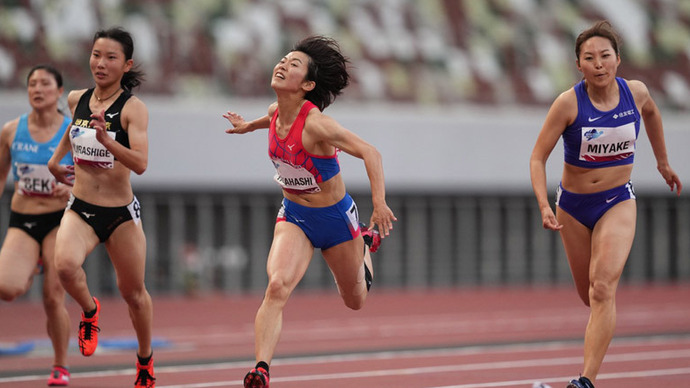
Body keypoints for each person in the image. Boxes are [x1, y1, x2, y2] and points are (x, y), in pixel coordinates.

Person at [223, 35, 397, 388]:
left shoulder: (317, 125)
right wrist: (247, 127)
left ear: (307, 85)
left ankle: (364, 241)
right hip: (295, 217)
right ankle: (261, 368)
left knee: (355, 301)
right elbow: (268, 119)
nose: (283, 64)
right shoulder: (275, 112)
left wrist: (379, 203)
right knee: (277, 285)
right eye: (283, 59)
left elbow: (371, 153)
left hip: (336, 219)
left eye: (294, 64)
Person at [529, 20, 682, 388]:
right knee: (588, 296)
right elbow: (537, 158)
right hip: (573, 208)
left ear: (618, 60)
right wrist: (543, 204)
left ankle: (585, 381)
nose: (598, 64)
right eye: (589, 58)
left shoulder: (637, 93)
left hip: (617, 201)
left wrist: (662, 161)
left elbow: (653, 114)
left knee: (602, 288)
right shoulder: (568, 103)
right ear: (578, 65)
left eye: (605, 56)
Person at [47, 27, 156, 388]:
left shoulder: (133, 109)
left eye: (110, 58)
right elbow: (71, 129)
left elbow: (140, 163)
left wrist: (108, 141)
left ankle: (144, 360)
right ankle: (90, 311)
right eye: (96, 55)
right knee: (64, 266)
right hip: (80, 207)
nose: (100, 63)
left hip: (120, 214)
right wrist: (55, 160)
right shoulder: (77, 97)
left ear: (127, 65)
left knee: (134, 294)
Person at [0, 64, 74, 386]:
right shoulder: (10, 131)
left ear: (59, 91)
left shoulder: (74, 131)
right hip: (24, 218)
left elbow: (98, 178)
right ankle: (31, 262)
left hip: (61, 221)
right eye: (32, 84)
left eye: (45, 84)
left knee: (52, 297)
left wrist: (71, 187)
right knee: (6, 288)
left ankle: (60, 365)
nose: (37, 89)